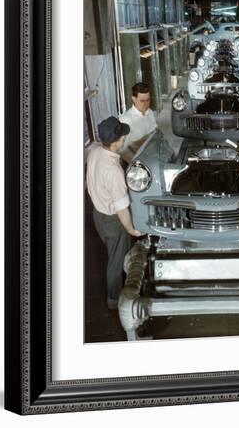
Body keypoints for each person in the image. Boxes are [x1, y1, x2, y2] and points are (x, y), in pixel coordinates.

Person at [86, 116, 142, 310]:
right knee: (117, 261)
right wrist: (132, 230)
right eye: (122, 137)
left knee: (113, 254)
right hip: (112, 221)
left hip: (97, 214)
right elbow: (122, 209)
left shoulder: (94, 151)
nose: (124, 139)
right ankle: (114, 300)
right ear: (117, 140)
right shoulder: (114, 172)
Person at [119, 82, 157, 163]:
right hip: (135, 164)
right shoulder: (125, 120)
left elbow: (154, 133)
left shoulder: (150, 112)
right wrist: (138, 163)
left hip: (151, 157)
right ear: (134, 99)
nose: (146, 104)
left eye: (148, 100)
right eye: (142, 101)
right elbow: (122, 150)